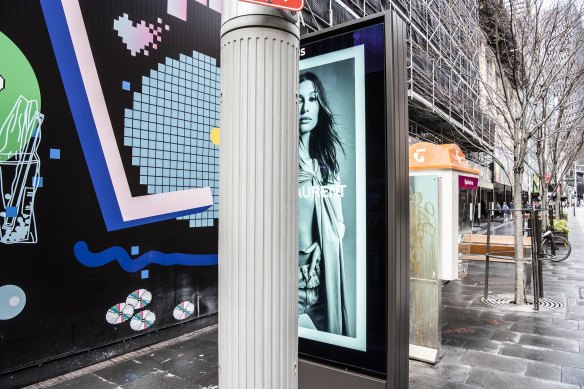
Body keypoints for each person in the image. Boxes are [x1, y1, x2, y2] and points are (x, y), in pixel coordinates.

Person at [297, 71, 349, 336]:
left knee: (334, 342)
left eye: (312, 99)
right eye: (298, 99)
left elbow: (339, 225)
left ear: (320, 105)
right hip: (287, 279)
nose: (305, 108)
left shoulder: (326, 166)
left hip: (318, 277)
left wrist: (326, 240)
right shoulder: (281, 158)